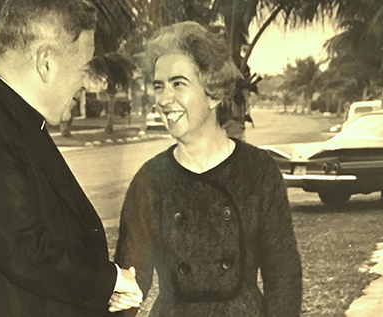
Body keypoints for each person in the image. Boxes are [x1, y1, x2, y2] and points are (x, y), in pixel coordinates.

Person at [0, 0, 142, 315]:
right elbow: (26, 253)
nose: (86, 83)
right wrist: (111, 280)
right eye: (84, 67)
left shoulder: (8, 120)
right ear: (46, 62)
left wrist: (103, 290)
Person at [114, 21, 302, 317]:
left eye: (178, 83)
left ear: (213, 93)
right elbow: (129, 282)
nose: (163, 100)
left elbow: (283, 276)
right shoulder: (150, 179)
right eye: (158, 86)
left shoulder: (257, 171)